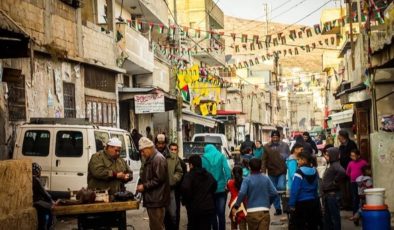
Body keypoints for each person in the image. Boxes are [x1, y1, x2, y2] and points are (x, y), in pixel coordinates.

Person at [232, 158, 278, 230]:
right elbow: (274, 193)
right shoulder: (266, 178)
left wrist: (236, 206)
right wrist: (268, 203)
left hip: (251, 212)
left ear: (249, 167)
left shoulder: (247, 180)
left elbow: (242, 193)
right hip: (264, 211)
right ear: (260, 167)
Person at [137, 137, 170, 230]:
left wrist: (144, 186)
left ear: (148, 148)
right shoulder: (151, 158)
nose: (142, 154)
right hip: (153, 199)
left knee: (157, 227)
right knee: (155, 226)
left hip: (157, 200)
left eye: (143, 151)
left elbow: (159, 179)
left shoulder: (158, 158)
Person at [181, 154, 217, 230]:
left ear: (191, 165)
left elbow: (185, 188)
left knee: (193, 226)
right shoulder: (208, 175)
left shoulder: (189, 176)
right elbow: (214, 185)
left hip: (194, 208)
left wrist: (185, 201)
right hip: (207, 207)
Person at [288, 152, 321, 230]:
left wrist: (291, 204)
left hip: (301, 203)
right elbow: (317, 187)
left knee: (300, 225)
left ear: (304, 160)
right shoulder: (315, 171)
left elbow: (294, 190)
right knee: (312, 225)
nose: (297, 161)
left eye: (299, 159)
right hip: (313, 202)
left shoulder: (299, 172)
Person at [202, 144, 231, 230]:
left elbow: (203, 174)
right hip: (221, 188)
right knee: (221, 213)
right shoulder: (221, 156)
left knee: (212, 213)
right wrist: (227, 182)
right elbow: (227, 170)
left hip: (209, 189)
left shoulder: (203, 158)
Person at [262, 130, 289, 216]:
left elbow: (289, 157)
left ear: (279, 137)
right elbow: (264, 160)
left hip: (282, 171)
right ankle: (278, 208)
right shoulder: (266, 147)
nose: (275, 139)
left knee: (281, 187)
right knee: (273, 191)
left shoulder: (285, 146)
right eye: (273, 137)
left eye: (276, 137)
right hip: (271, 171)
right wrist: (263, 171)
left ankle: (285, 206)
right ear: (271, 138)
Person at [321, 147, 346, 230]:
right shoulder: (332, 164)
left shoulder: (335, 164)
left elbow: (342, 172)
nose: (326, 157)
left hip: (332, 194)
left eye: (328, 155)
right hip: (328, 194)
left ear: (333, 155)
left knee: (334, 216)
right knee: (328, 216)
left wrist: (335, 181)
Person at [164, 143, 184, 230]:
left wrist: (174, 179)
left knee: (175, 214)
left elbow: (182, 176)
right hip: (168, 190)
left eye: (175, 149)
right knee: (167, 214)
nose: (173, 151)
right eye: (171, 149)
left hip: (177, 191)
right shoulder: (165, 159)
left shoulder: (180, 162)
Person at [338, 130, 358, 210]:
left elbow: (354, 156)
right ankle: (345, 204)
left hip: (351, 169)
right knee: (343, 188)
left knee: (350, 187)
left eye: (339, 136)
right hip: (343, 169)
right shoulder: (341, 146)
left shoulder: (351, 144)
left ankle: (351, 204)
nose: (338, 137)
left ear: (343, 136)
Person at [32, 162, 56, 230]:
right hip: (36, 201)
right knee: (51, 207)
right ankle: (49, 226)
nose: (40, 173)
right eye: (39, 172)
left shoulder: (30, 178)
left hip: (34, 200)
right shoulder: (36, 179)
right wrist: (51, 200)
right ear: (37, 172)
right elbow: (44, 192)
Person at [346, 149, 368, 220]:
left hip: (361, 183)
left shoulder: (363, 162)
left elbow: (367, 170)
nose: (353, 157)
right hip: (353, 183)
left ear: (358, 156)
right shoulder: (350, 163)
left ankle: (363, 214)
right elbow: (347, 173)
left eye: (354, 156)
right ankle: (355, 215)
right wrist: (352, 178)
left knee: (362, 198)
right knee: (355, 198)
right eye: (351, 156)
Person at [227, 166, 247, 230]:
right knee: (242, 226)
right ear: (242, 173)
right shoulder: (245, 182)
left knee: (233, 225)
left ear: (232, 173)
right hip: (243, 206)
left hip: (233, 206)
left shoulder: (230, 183)